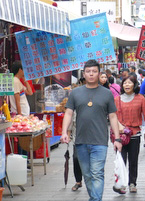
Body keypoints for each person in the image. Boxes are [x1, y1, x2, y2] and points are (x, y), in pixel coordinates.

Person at [60, 59, 122, 201]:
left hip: (100, 141)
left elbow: (113, 116)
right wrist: (64, 132)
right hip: (81, 140)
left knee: (97, 173)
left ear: (99, 74)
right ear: (84, 73)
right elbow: (68, 113)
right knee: (87, 175)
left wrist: (117, 138)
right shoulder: (75, 93)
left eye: (94, 71)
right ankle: (95, 198)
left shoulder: (107, 93)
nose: (91, 74)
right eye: (88, 71)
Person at [114, 75, 145, 193]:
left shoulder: (140, 98)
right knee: (120, 161)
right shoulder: (116, 100)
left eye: (129, 83)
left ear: (134, 85)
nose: (127, 85)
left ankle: (132, 183)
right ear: (122, 85)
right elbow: (112, 116)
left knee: (133, 160)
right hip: (120, 135)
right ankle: (121, 184)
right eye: (125, 83)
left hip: (135, 134)